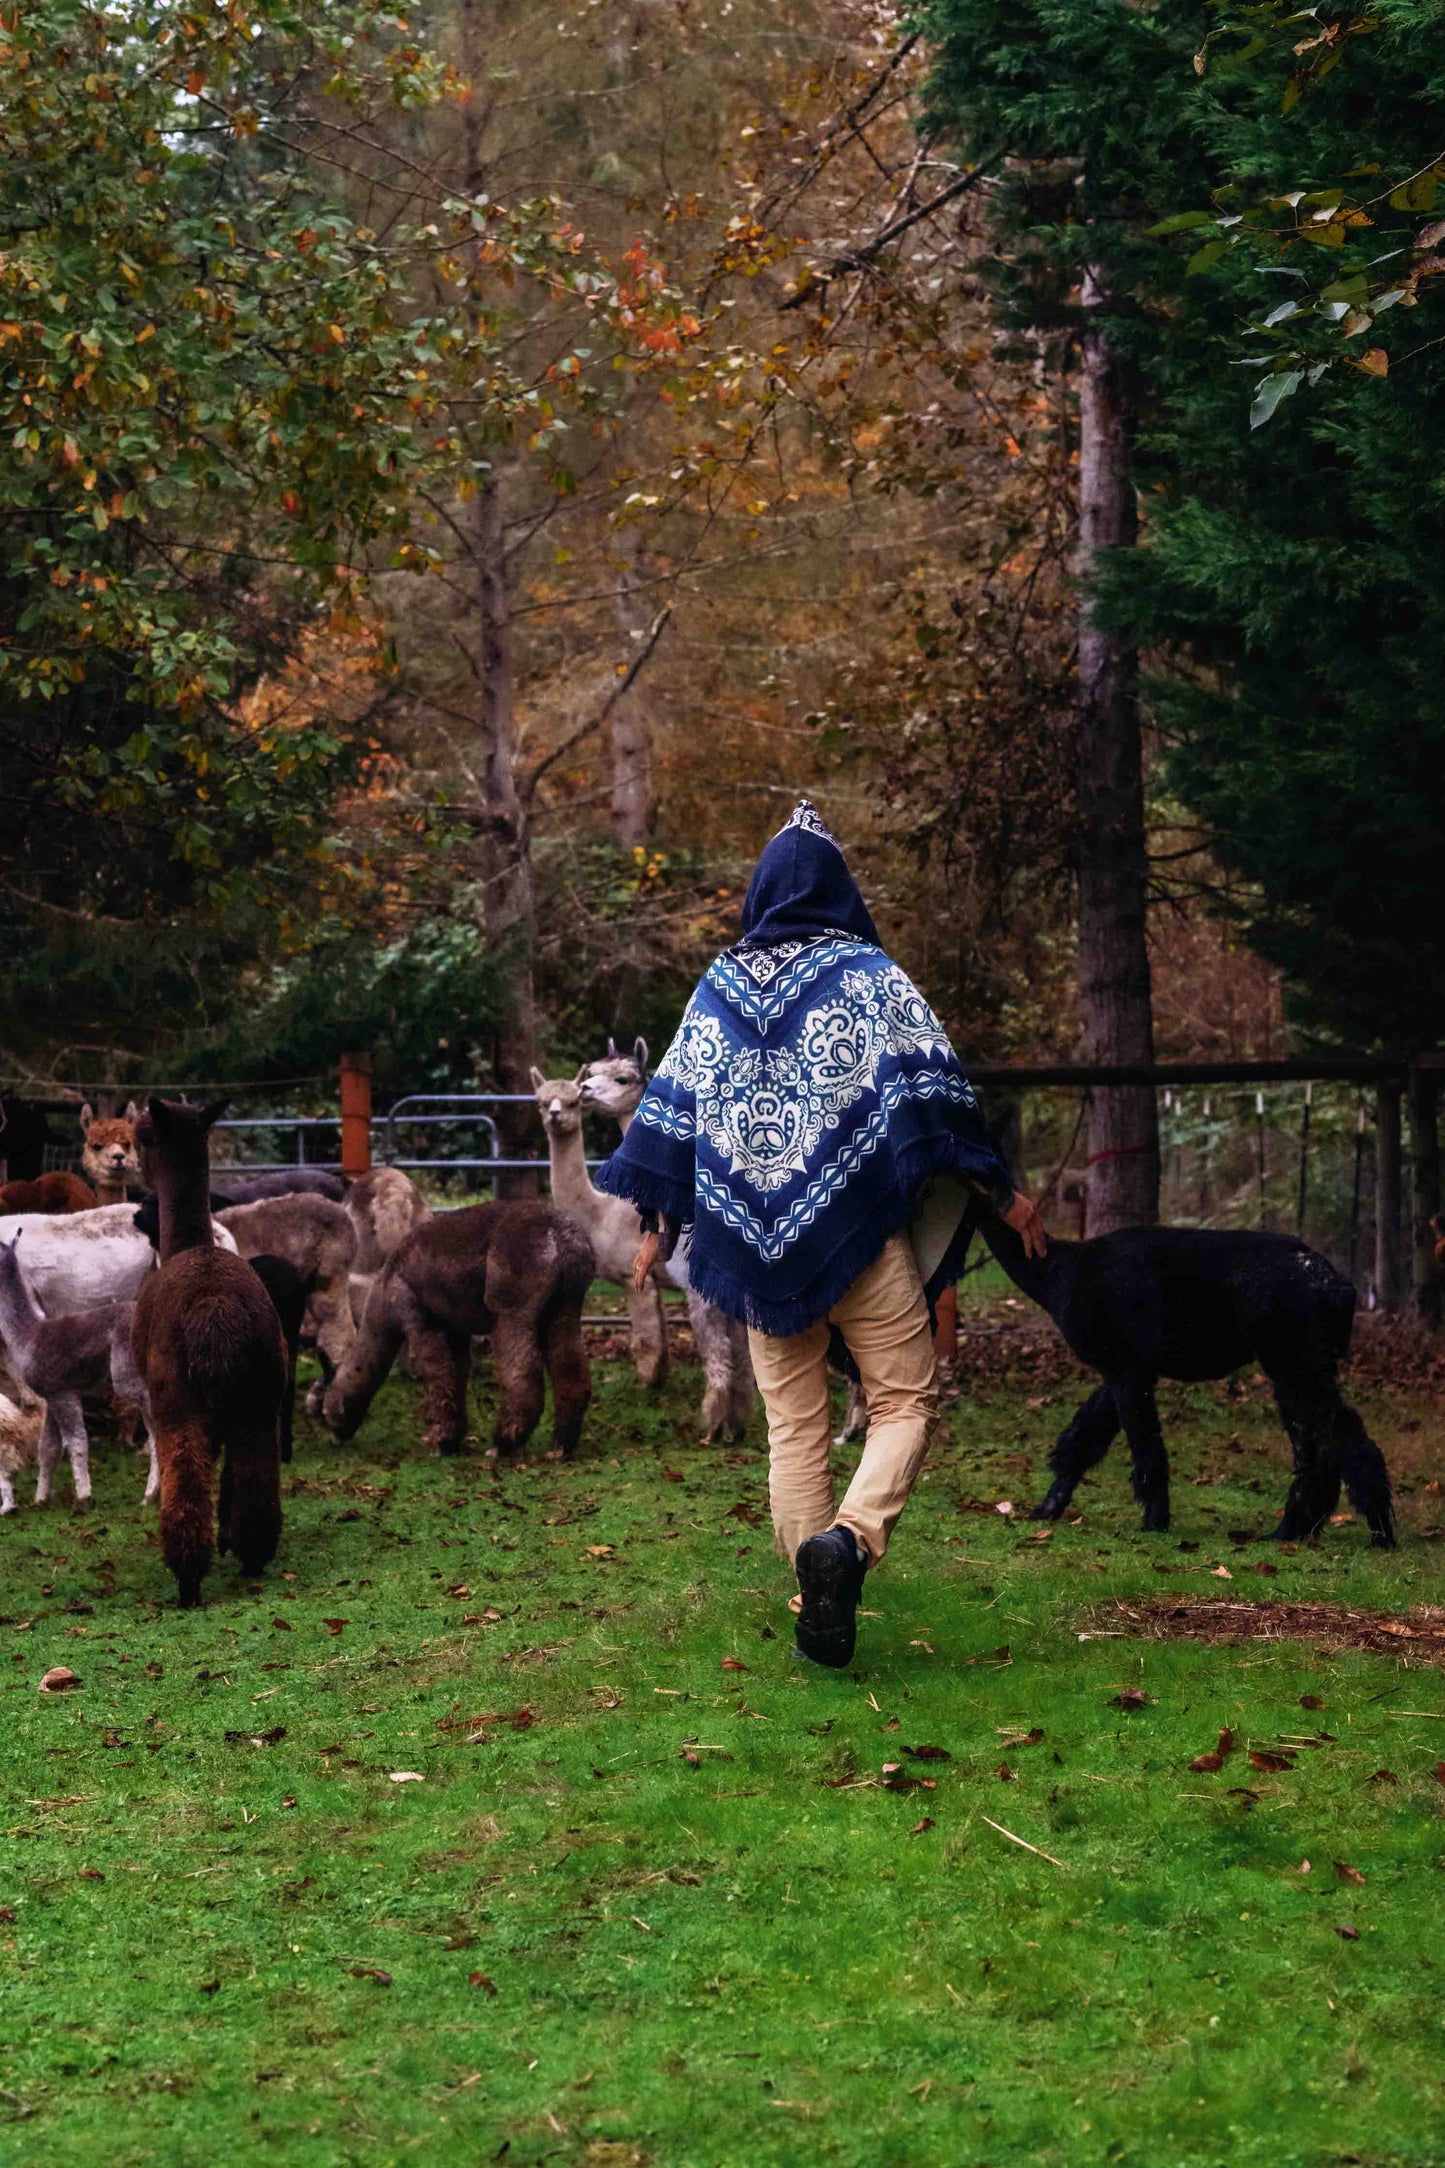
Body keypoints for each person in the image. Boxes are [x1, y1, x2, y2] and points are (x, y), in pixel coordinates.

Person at [594, 800, 1046, 1667]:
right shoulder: (871, 976)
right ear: (840, 889)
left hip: (750, 1254)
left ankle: (814, 1600)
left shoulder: (717, 987)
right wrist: (1002, 1193)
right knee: (904, 1401)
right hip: (859, 1240)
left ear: (760, 893)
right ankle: (851, 1540)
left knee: (793, 1428)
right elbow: (940, 1102)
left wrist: (658, 1227)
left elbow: (671, 1122)